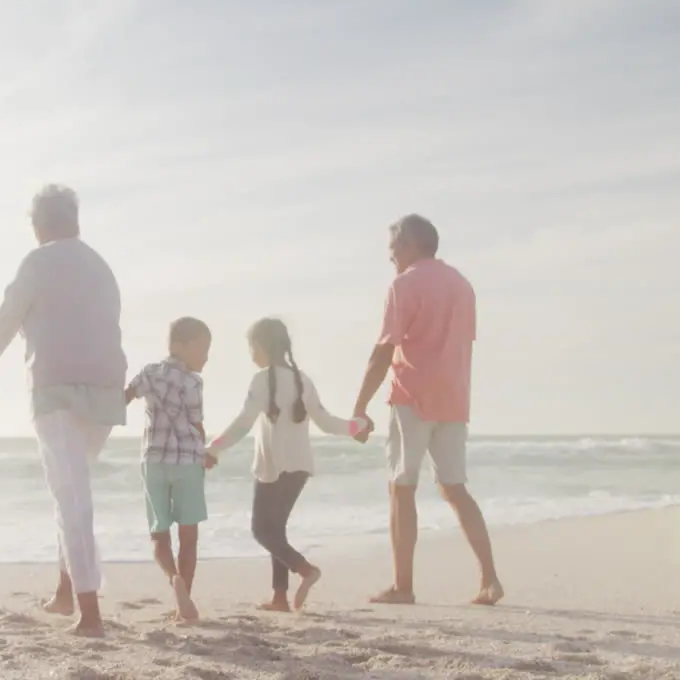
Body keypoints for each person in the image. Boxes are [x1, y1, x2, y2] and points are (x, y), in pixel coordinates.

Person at [0, 184, 128, 637]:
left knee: (71, 497)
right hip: (105, 391)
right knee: (73, 489)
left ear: (40, 224)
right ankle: (64, 591)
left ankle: (90, 613)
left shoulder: (37, 262)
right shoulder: (101, 266)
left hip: (55, 388)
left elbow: (5, 320)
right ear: (75, 220)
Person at [350, 214, 504, 606]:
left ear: (409, 245)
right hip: (454, 398)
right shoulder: (462, 285)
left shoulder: (404, 284)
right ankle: (489, 579)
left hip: (412, 396)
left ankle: (403, 586)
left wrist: (360, 405)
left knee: (401, 487)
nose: (390, 256)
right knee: (455, 487)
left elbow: (384, 349)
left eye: (392, 248)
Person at [205, 318, 362, 612]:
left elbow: (242, 423)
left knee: (262, 531)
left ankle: (304, 569)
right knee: (275, 530)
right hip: (300, 466)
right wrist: (357, 427)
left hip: (273, 467)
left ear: (262, 346)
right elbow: (327, 422)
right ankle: (279, 597)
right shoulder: (303, 380)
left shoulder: (261, 380)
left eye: (251, 347)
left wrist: (213, 449)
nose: (251, 354)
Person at [125, 317, 212, 622]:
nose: (206, 356)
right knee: (189, 538)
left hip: (153, 461)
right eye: (201, 348)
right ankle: (183, 600)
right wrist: (206, 453)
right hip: (187, 462)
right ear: (179, 346)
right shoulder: (193, 382)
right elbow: (196, 426)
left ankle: (172, 578)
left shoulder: (149, 372)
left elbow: (123, 398)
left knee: (159, 536)